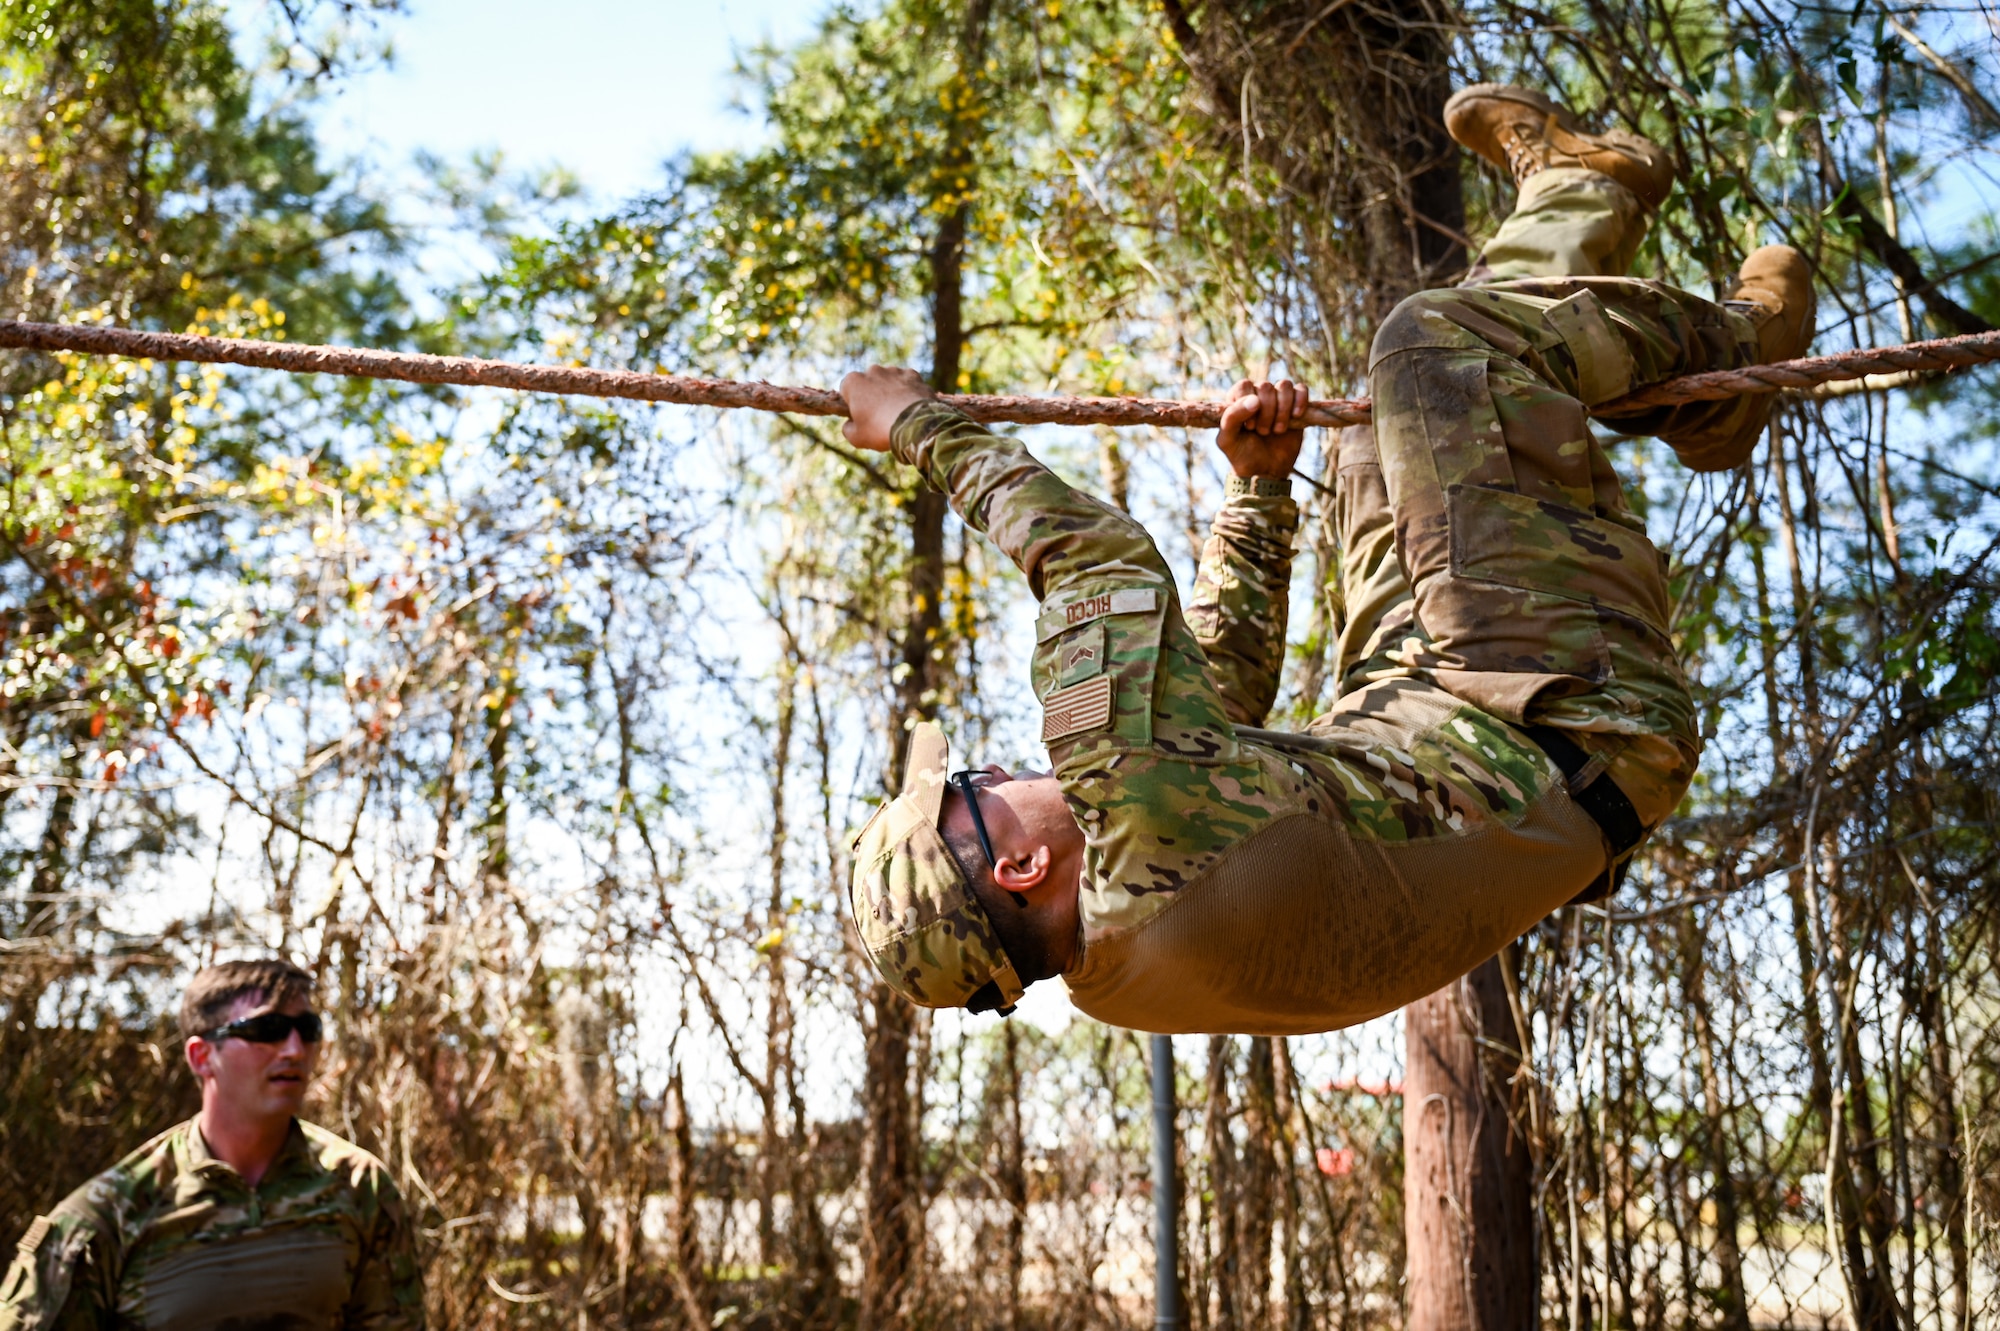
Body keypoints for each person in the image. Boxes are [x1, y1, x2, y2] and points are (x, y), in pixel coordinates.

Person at [841, 83, 1814, 1035]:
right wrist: (918, 426)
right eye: (973, 786)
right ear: (1014, 867)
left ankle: (1579, 189)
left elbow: (1218, 697)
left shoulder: (1118, 972)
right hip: (1572, 717)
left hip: (1447, 721)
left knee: (1378, 444)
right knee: (1432, 345)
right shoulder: (1137, 824)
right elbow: (1096, 563)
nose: (1001, 764)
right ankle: (1727, 374)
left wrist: (1258, 489)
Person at [0, 959, 425, 1330]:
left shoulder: (358, 1187)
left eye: (307, 1029)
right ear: (203, 1057)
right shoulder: (108, 1214)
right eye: (268, 1029)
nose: (295, 1049)